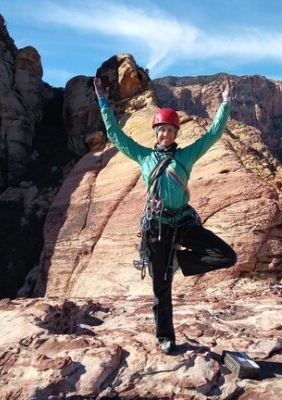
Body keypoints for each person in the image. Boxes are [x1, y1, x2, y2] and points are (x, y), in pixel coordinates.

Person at [93, 76, 237, 354]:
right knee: (161, 289)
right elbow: (116, 136)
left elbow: (213, 135)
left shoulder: (187, 156)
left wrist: (225, 104)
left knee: (227, 256)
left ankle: (179, 261)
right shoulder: (144, 157)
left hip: (182, 221)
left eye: (171, 130)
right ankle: (165, 337)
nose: (166, 135)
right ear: (156, 132)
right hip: (157, 227)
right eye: (162, 130)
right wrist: (103, 102)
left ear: (176, 133)